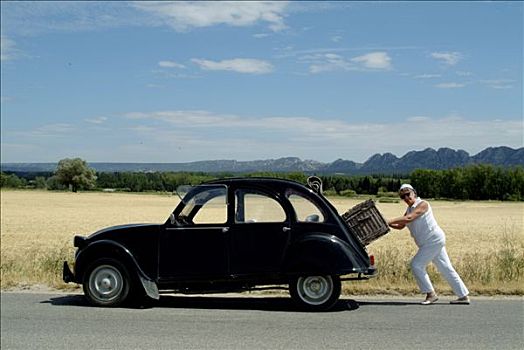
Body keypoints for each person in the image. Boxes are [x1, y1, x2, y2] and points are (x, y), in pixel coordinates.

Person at [388, 184, 470, 305]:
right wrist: (387, 224)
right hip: (429, 242)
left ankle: (431, 294)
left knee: (416, 265)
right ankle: (463, 296)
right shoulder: (409, 209)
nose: (406, 197)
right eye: (402, 196)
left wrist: (389, 220)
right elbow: (401, 226)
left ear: (414, 193)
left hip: (433, 240)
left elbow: (409, 218)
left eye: (407, 194)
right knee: (446, 268)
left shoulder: (423, 204)